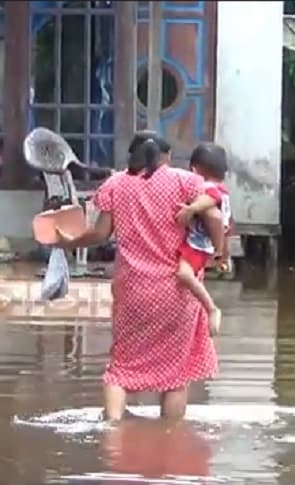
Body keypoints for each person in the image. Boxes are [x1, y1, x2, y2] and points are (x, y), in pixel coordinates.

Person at [55, 132, 223, 421]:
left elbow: (99, 234)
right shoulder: (185, 182)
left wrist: (68, 241)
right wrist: (219, 252)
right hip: (176, 291)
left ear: (131, 157)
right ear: (166, 157)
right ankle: (169, 435)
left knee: (121, 368)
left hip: (132, 290)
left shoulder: (115, 185)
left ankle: (112, 429)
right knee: (175, 375)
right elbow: (216, 217)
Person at [173, 143, 231, 337]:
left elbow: (212, 204)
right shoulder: (222, 190)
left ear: (194, 169)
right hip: (204, 245)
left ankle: (211, 308)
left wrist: (191, 209)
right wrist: (224, 254)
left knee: (184, 274)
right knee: (187, 275)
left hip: (198, 246)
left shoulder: (207, 188)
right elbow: (227, 227)